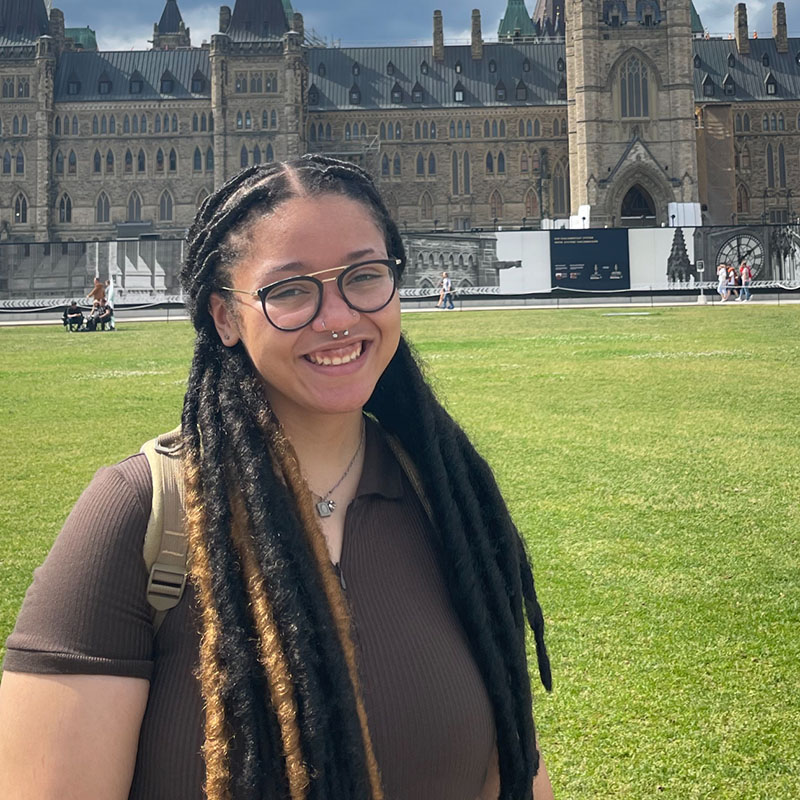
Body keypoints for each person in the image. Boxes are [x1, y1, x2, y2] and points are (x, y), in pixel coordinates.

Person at [0, 156, 553, 800]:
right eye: (290, 290)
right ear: (225, 317)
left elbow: (513, 768)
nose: (338, 317)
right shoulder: (139, 514)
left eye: (365, 277)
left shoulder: (452, 505)